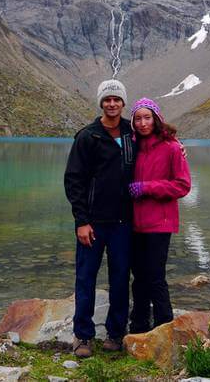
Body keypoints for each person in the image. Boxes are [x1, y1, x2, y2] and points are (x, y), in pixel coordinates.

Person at [64, 79, 136, 358]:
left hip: (124, 222)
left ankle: (116, 334)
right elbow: (74, 180)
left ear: (123, 102)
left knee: (120, 278)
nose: (112, 104)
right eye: (107, 99)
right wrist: (81, 221)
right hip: (92, 223)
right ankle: (83, 336)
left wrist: (178, 147)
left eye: (117, 99)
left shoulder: (133, 132)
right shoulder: (88, 136)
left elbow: (160, 143)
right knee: (85, 278)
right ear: (101, 103)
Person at [127, 98, 191, 334]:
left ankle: (165, 326)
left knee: (155, 276)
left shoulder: (172, 148)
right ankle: (139, 325)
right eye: (138, 118)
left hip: (159, 224)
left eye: (147, 117)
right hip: (135, 223)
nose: (143, 123)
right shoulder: (133, 146)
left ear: (156, 118)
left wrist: (147, 187)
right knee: (139, 277)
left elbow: (183, 186)